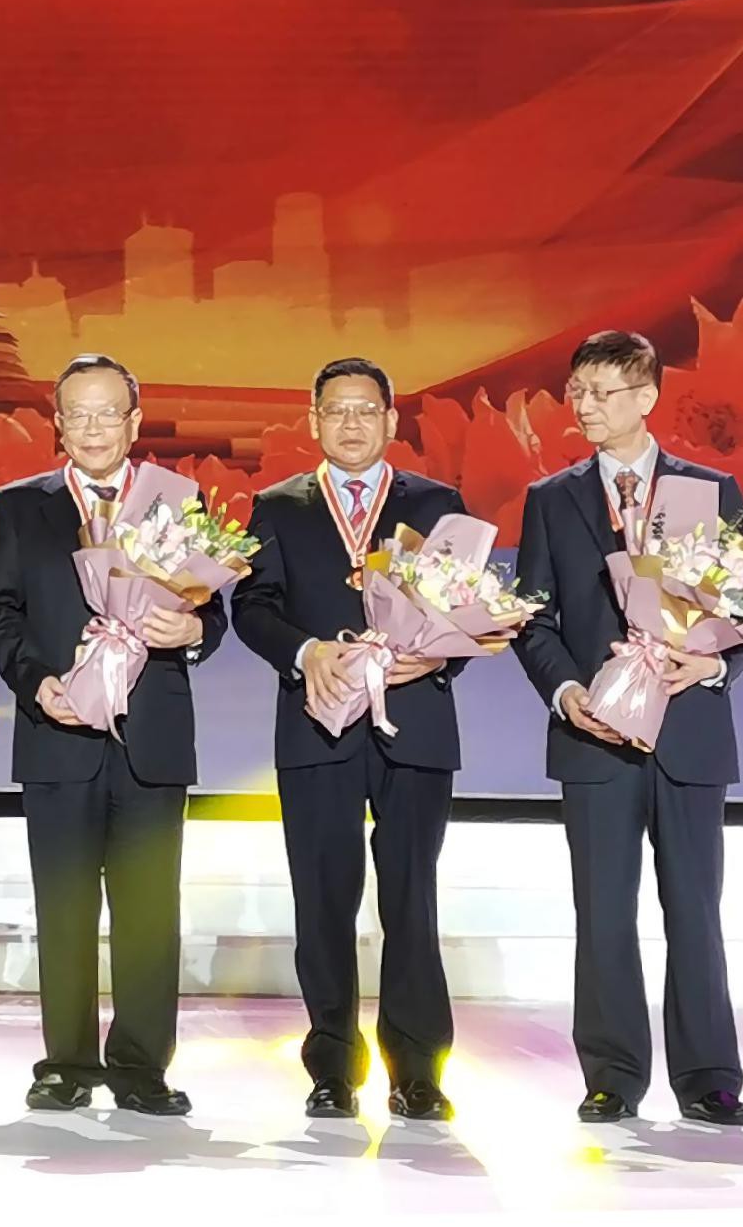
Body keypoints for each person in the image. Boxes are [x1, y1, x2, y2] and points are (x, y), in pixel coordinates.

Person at [513, 327, 743, 1128]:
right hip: (595, 738)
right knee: (603, 913)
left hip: (688, 733)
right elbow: (532, 617)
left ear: (647, 395)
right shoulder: (551, 499)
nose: (584, 406)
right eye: (577, 392)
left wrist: (712, 665)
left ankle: (709, 1077)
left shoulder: (710, 490)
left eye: (601, 392)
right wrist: (566, 692)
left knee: (695, 909)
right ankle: (612, 1075)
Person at [0, 353, 228, 1118]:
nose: (92, 429)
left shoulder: (176, 501)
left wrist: (194, 631)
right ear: (58, 424)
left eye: (106, 413)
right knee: (63, 907)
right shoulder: (21, 507)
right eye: (77, 415)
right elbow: (0, 613)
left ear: (134, 421)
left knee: (150, 908)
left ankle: (143, 1065)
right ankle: (66, 1063)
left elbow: (211, 610)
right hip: (59, 733)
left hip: (151, 735)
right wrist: (35, 683)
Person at [231, 356, 468, 1120]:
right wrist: (307, 653)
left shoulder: (436, 503)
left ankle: (418, 1070)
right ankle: (332, 1065)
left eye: (367, 410)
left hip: (414, 724)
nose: (352, 423)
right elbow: (253, 607)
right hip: (318, 722)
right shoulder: (278, 506)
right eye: (337, 410)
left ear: (392, 421)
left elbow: (468, 606)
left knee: (412, 898)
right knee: (323, 899)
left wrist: (439, 655)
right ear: (314, 421)